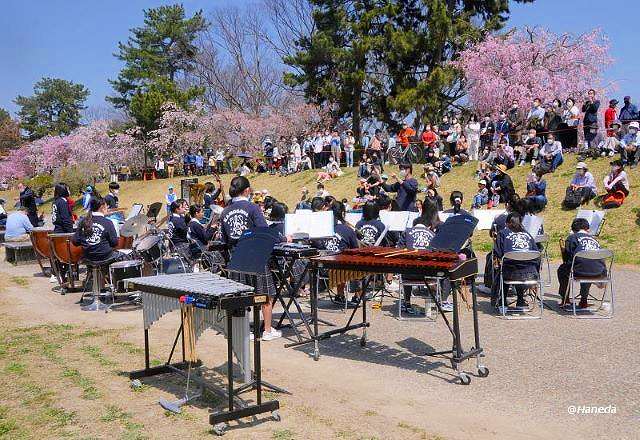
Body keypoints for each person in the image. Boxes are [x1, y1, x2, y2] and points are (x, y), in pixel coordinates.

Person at [397, 199, 441, 314]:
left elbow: (399, 250)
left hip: (409, 274)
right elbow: (436, 253)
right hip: (427, 274)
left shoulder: (407, 232)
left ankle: (407, 302)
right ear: (428, 226)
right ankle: (433, 303)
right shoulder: (433, 234)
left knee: (405, 267)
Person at [493, 212, 539, 310]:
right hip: (531, 274)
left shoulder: (502, 233)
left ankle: (503, 301)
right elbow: (536, 254)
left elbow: (498, 253)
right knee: (521, 265)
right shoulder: (528, 234)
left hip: (510, 274)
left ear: (508, 223)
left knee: (505, 269)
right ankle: (521, 301)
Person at [557, 218, 607, 309]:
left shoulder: (572, 238)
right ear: (587, 229)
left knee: (562, 270)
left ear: (572, 229)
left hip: (580, 272)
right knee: (588, 265)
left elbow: (568, 259)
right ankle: (584, 300)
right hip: (599, 273)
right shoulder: (594, 240)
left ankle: (565, 299)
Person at [72, 196, 123, 263]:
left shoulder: (83, 221)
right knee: (124, 256)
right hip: (105, 256)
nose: (107, 207)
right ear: (102, 207)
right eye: (106, 205)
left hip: (88, 257)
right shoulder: (108, 222)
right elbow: (114, 243)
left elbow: (75, 241)